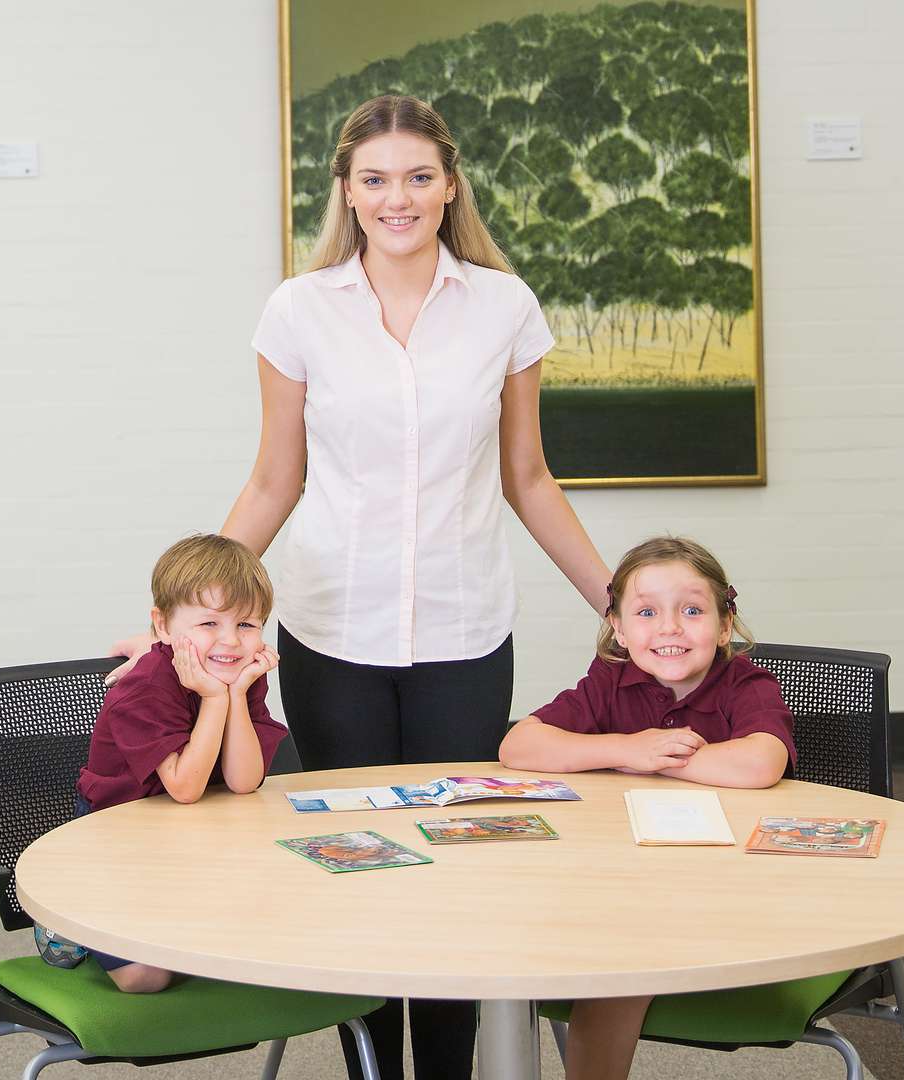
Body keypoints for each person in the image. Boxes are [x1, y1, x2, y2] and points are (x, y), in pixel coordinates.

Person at [110, 94, 611, 1079]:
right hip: (333, 633)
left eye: (419, 176)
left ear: (451, 185)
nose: (399, 197)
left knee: (460, 868)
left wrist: (617, 605)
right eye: (376, 179)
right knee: (366, 868)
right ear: (346, 190)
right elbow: (273, 482)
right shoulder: (299, 311)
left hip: (466, 637)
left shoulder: (504, 307)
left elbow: (528, 478)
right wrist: (175, 621)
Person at [498, 535, 794, 1080]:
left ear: (725, 625)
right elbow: (519, 746)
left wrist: (660, 758)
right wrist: (623, 748)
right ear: (618, 625)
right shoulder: (611, 679)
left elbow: (759, 763)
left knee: (619, 973)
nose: (670, 628)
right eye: (647, 612)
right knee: (522, 938)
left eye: (692, 610)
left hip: (731, 893)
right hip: (628, 888)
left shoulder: (745, 682)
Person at [55, 533, 290, 994]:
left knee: (265, 936)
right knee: (146, 977)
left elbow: (244, 782)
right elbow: (184, 786)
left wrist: (236, 694)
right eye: (208, 624)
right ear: (162, 627)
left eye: (247, 625)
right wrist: (212, 698)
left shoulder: (238, 677)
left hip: (191, 836)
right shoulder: (143, 688)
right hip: (115, 840)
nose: (230, 641)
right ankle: (69, 919)